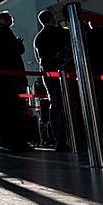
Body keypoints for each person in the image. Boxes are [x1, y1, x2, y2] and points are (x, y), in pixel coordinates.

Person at [34, 10, 81, 151]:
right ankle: (75, 136)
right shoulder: (64, 33)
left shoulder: (39, 37)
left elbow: (41, 59)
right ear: (53, 18)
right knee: (72, 105)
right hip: (67, 72)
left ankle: (59, 139)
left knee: (56, 104)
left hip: (50, 74)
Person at [0, 11, 28, 151]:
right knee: (12, 110)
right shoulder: (4, 31)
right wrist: (18, 44)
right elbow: (15, 52)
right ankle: (15, 141)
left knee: (0, 111)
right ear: (6, 19)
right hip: (9, 78)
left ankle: (4, 140)